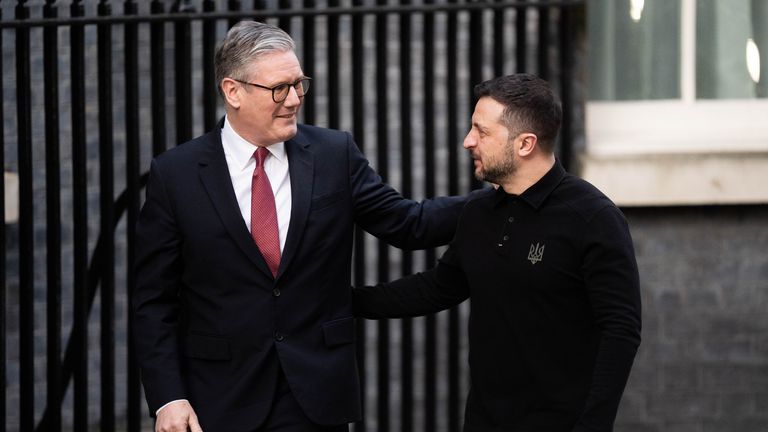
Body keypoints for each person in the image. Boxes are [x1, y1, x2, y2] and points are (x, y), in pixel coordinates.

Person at [133, 21, 479, 432]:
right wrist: (168, 398)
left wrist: (501, 195)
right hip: (217, 400)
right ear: (233, 91)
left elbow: (409, 224)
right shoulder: (177, 174)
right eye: (280, 87)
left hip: (316, 397)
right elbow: (153, 300)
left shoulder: (335, 154)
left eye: (300, 84)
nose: (295, 99)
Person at [353, 74, 641, 432]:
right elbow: (437, 288)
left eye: (482, 131)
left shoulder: (593, 218)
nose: (468, 141)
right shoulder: (478, 213)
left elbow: (621, 330)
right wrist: (345, 301)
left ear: (525, 144)